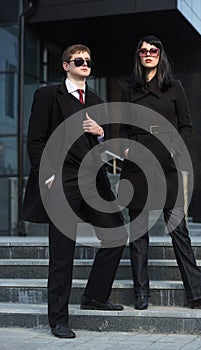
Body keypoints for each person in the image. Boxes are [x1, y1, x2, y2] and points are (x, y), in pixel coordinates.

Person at [22, 44, 127, 339]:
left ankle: (94, 295)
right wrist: (48, 175)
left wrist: (101, 133)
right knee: (61, 253)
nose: (85, 64)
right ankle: (58, 319)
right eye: (79, 60)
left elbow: (104, 147)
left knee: (117, 235)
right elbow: (35, 140)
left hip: (93, 178)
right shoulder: (47, 96)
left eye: (88, 61)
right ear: (66, 65)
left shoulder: (95, 100)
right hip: (62, 179)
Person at [118, 35, 201, 311]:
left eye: (154, 50)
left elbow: (187, 126)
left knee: (180, 231)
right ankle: (141, 294)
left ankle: (198, 294)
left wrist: (174, 149)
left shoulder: (174, 87)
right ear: (138, 56)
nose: (148, 54)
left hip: (167, 164)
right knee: (138, 233)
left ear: (160, 55)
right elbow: (122, 130)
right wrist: (128, 152)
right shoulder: (128, 88)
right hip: (137, 165)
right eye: (143, 51)